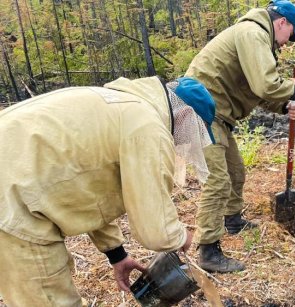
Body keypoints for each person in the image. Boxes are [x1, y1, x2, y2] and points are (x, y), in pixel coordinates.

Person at [0, 76, 216, 306]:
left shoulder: (124, 108)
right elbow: (156, 232)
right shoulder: (147, 127)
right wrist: (181, 237)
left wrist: (117, 255)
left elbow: (89, 185)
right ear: (184, 116)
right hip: (12, 201)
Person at [185, 0, 295, 273]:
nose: (288, 43)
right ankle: (208, 249)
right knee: (217, 180)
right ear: (282, 23)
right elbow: (266, 84)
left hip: (217, 114)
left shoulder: (258, 38)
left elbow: (258, 91)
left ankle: (232, 219)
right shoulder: (253, 33)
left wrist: (286, 105)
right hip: (201, 111)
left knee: (236, 171)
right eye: (291, 35)